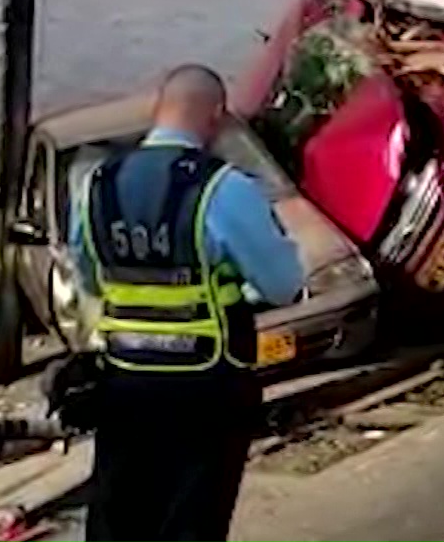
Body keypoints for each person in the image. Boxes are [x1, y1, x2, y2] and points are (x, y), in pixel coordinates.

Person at [68, 64, 305, 542]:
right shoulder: (224, 188)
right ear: (216, 116)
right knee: (191, 519)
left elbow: (91, 281)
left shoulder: (98, 185)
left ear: (158, 108)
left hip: (124, 382)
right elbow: (283, 285)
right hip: (205, 386)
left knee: (119, 517)